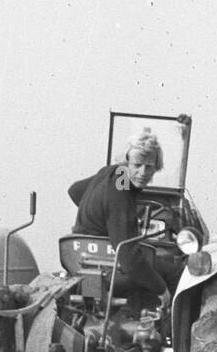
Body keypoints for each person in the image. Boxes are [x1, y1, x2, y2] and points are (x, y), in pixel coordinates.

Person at [68, 129, 170, 308]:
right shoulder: (121, 195)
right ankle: (174, 330)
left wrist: (100, 215)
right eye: (137, 165)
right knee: (174, 269)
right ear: (127, 161)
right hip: (107, 269)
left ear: (156, 167)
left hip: (82, 258)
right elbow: (129, 258)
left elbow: (75, 190)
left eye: (149, 166)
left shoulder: (115, 173)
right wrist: (162, 289)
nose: (143, 172)